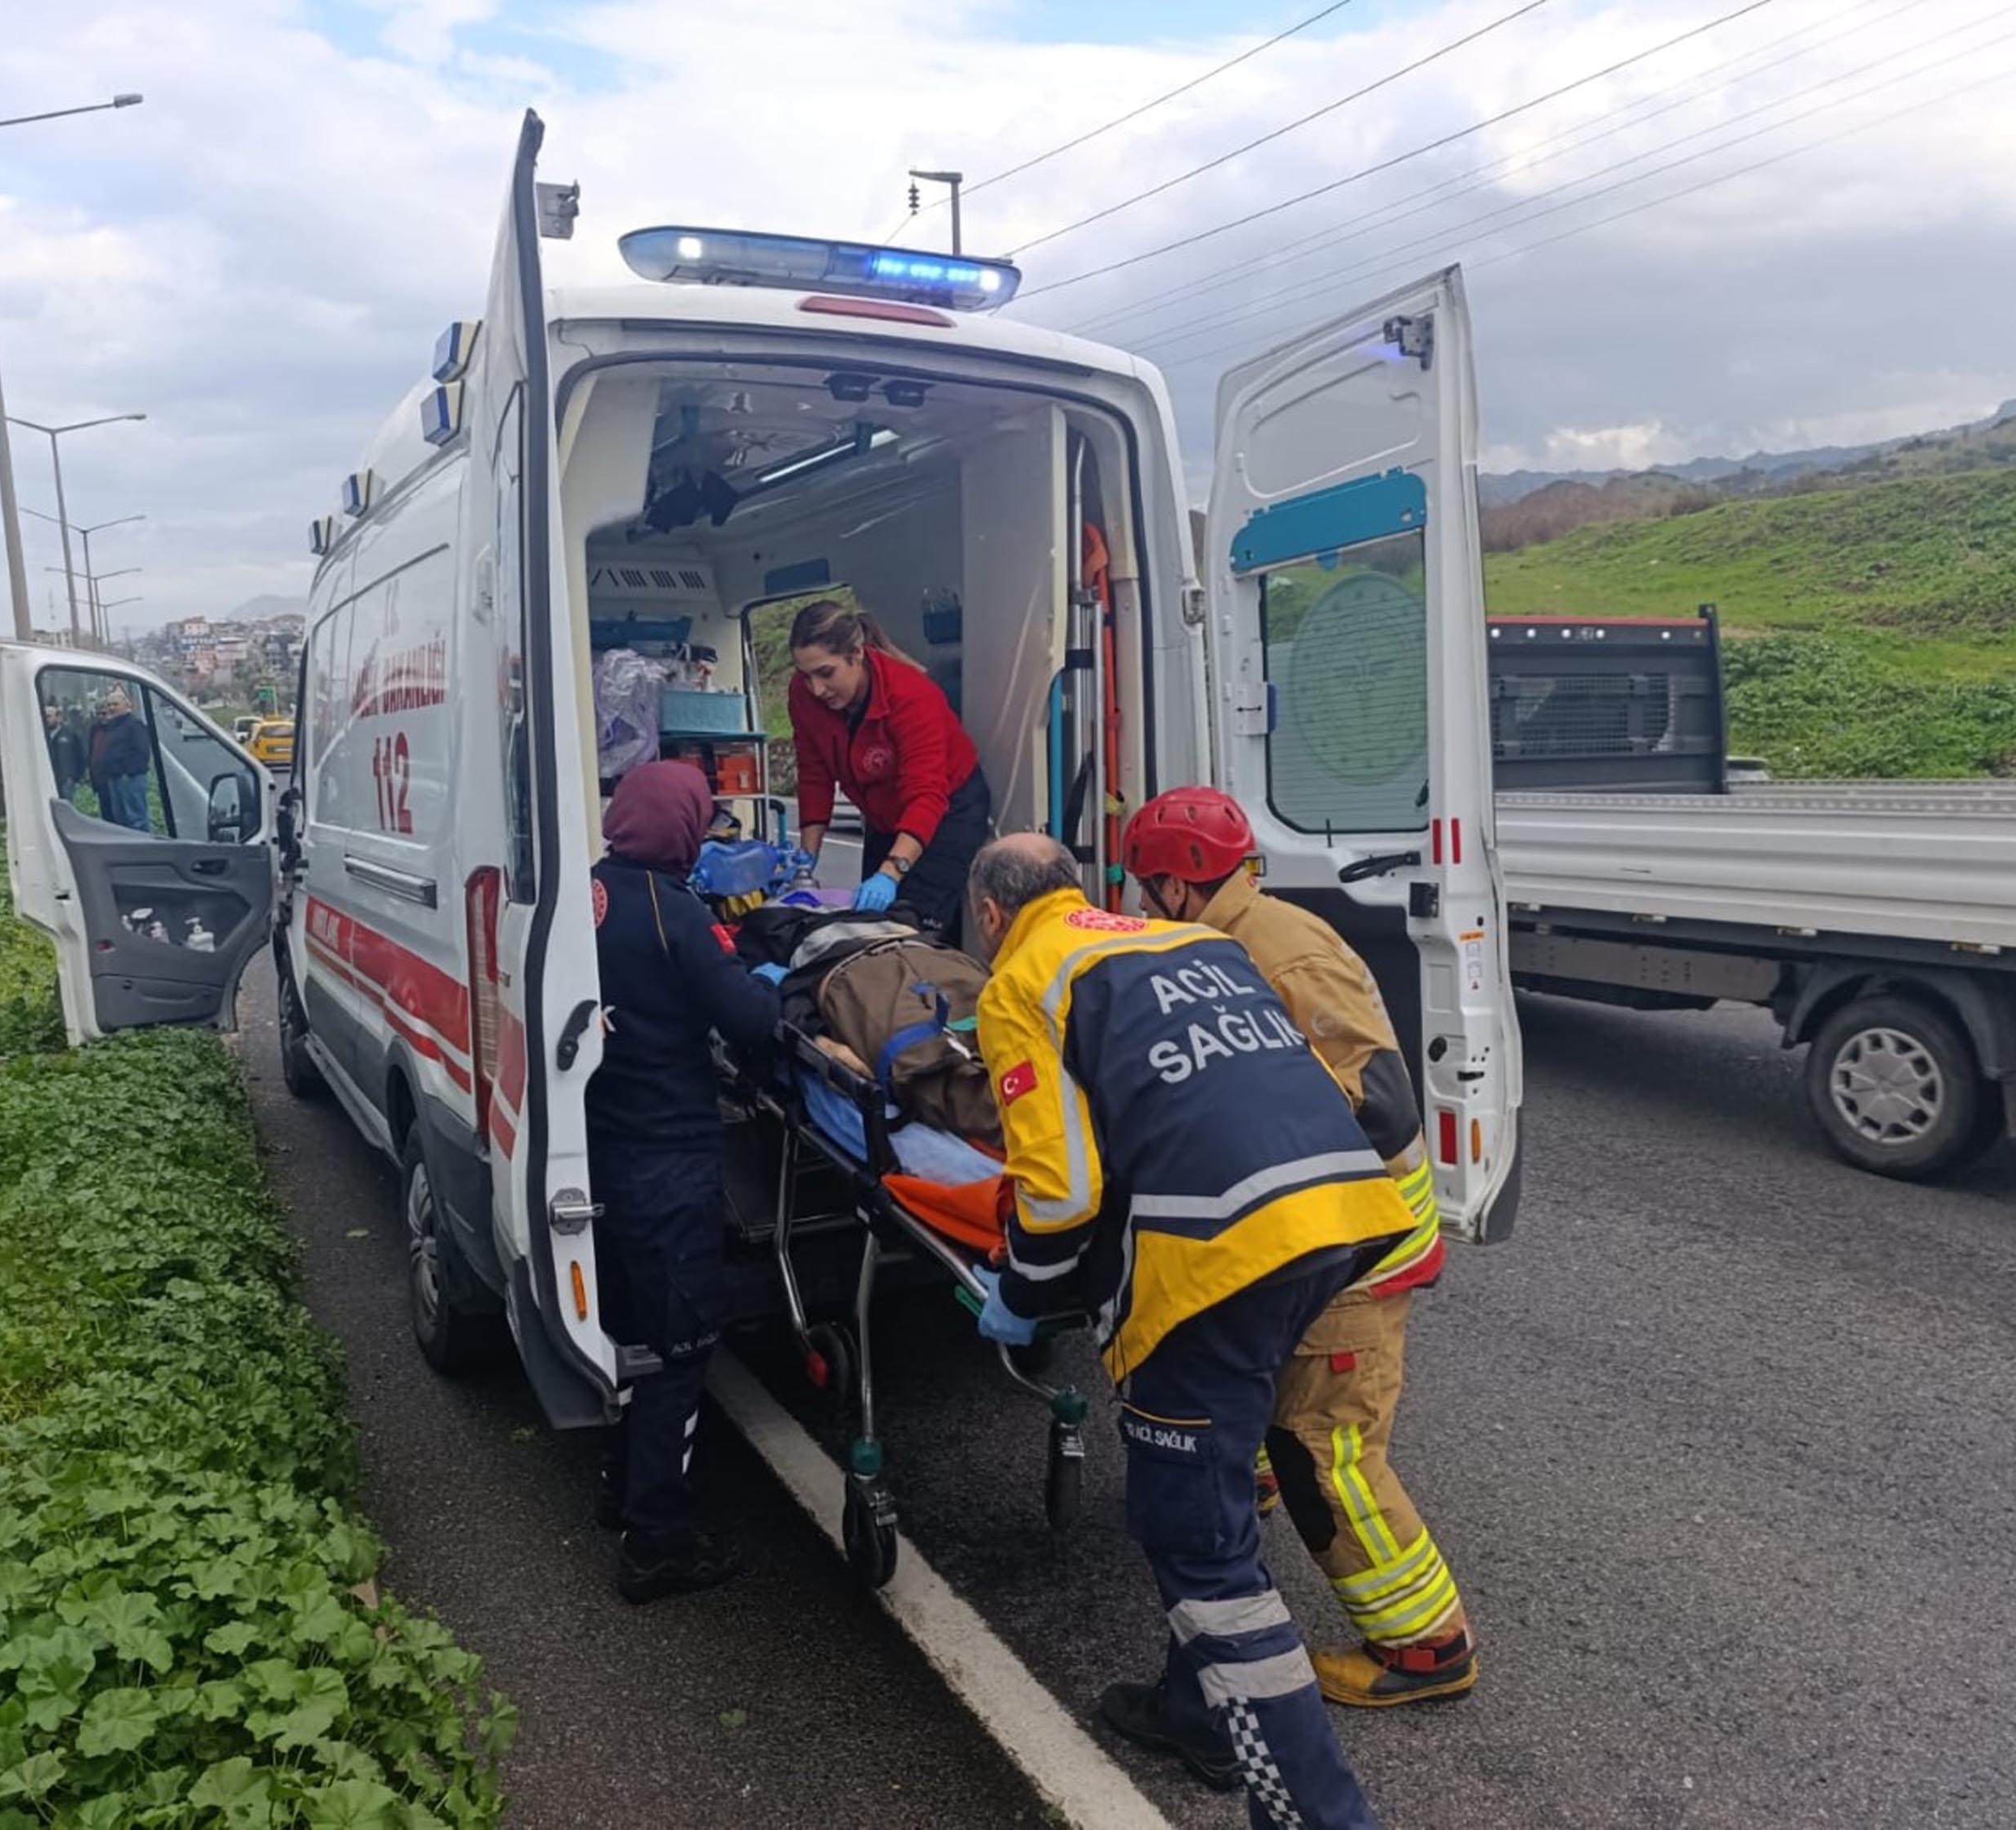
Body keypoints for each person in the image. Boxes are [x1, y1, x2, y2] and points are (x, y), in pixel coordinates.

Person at [965, 833, 1417, 1830]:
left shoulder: (1020, 981)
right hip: (1345, 1225)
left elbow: (1063, 1192)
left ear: (992, 916)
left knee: (1199, 1551)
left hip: (1221, 1262)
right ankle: (1197, 1713)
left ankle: (1315, 1816)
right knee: (1221, 1463)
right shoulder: (1181, 942)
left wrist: (1025, 1295)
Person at [1122, 787, 1471, 1711]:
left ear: (1175, 881)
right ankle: (1258, 1480)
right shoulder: (1239, 931)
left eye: (1146, 885)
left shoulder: (1281, 950)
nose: (1140, 903)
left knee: (1331, 1450)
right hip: (1326, 1235)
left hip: (1361, 1240)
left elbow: (1384, 1102)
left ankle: (1425, 1646)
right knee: (1281, 1392)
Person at [588, 759, 782, 1603]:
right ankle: (658, 1541)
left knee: (630, 1327)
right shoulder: (677, 915)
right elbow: (750, 1023)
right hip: (669, 1158)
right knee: (681, 1346)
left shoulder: (584, 893)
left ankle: (622, 1483)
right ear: (687, 829)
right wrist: (770, 989)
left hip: (599, 1148)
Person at [785, 595, 990, 936]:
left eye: (825, 673)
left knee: (914, 928)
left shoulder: (910, 696)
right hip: (886, 815)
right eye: (806, 676)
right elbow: (814, 775)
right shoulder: (803, 695)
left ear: (856, 654)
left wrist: (891, 872)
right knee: (871, 923)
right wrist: (806, 863)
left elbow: (927, 794)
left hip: (947, 811)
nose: (816, 689)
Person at [88, 687, 155, 833]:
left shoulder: (134, 725)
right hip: (113, 779)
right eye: (109, 705)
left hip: (129, 780)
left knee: (135, 819)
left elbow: (142, 753)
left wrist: (127, 773)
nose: (111, 708)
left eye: (115, 704)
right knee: (120, 821)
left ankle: (143, 849)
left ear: (126, 705)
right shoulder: (113, 727)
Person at [44, 703, 88, 801]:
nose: (46, 720)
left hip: (66, 780)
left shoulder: (70, 735)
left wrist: (75, 777)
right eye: (44, 717)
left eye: (49, 716)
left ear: (58, 717)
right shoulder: (41, 736)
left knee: (66, 808)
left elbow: (80, 756)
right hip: (48, 779)